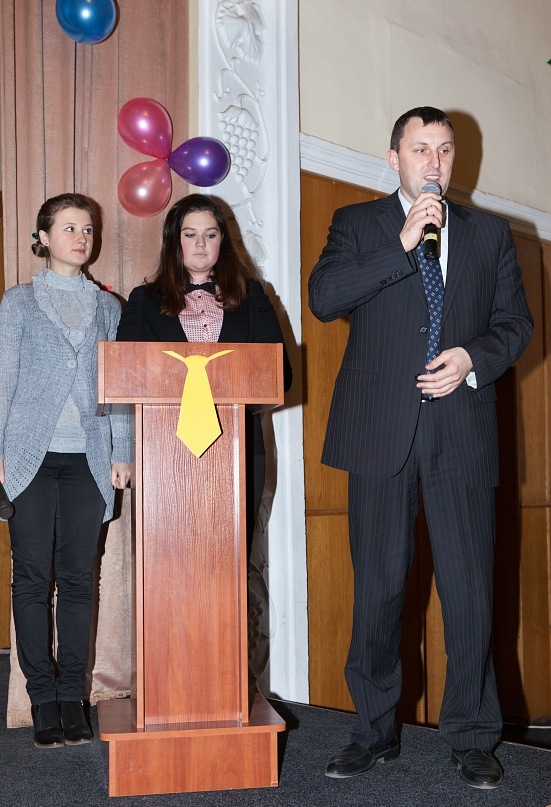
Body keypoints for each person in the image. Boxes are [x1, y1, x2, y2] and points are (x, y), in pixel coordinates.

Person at [308, 107, 533, 790]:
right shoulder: (357, 224)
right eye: (420, 148)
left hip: (461, 429)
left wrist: (471, 358)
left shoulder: (489, 234)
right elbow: (324, 298)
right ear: (394, 157)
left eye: (445, 149)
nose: (434, 162)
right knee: (378, 590)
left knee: (469, 593)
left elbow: (515, 324)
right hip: (381, 430)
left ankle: (472, 736)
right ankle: (373, 732)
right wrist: (401, 244)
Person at [0, 193, 132, 749]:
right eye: (70, 227)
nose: (81, 237)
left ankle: (74, 697)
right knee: (32, 579)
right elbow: (2, 379)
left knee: (80, 579)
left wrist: (122, 450)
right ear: (44, 236)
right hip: (28, 459)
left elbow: (119, 387)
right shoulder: (17, 303)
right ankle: (41, 698)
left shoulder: (109, 308)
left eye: (88, 229)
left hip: (89, 459)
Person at [116, 192, 292, 522]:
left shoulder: (252, 294)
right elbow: (125, 375)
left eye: (210, 234)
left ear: (222, 242)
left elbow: (280, 372)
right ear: (174, 240)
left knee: (235, 544)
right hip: (164, 446)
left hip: (240, 444)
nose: (200, 243)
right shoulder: (143, 300)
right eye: (190, 234)